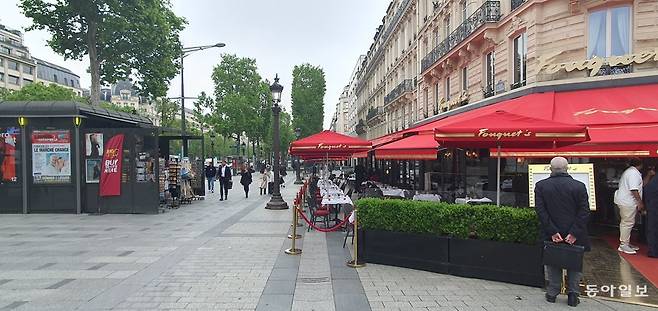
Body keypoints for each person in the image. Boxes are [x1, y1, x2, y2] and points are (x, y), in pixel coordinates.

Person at [535, 157, 590, 307]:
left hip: (552, 232)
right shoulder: (579, 186)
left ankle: (552, 293)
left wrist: (552, 231)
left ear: (550, 169)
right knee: (575, 262)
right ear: (568, 168)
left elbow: (541, 211)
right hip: (575, 233)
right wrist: (574, 232)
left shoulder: (541, 186)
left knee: (553, 261)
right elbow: (584, 211)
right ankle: (573, 294)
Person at [614, 158, 645, 254]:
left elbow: (640, 186)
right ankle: (623, 245)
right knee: (627, 223)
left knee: (628, 222)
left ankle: (626, 242)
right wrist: (640, 202)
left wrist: (648, 175)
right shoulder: (633, 173)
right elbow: (634, 189)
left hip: (624, 200)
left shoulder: (631, 172)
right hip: (627, 202)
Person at [643, 166, 658, 258]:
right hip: (654, 206)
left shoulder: (654, 181)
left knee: (652, 229)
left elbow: (647, 192)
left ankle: (653, 251)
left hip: (653, 207)